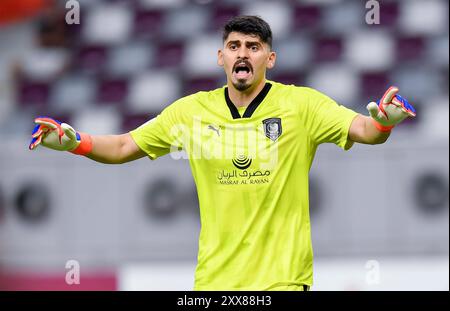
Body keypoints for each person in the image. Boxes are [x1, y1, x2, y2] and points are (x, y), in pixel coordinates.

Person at [29, 16, 416, 291]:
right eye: (234, 46)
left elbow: (364, 130)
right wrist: (75, 142)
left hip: (282, 280)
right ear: (221, 57)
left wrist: (384, 123)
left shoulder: (302, 106)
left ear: (270, 58)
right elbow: (124, 146)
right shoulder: (191, 111)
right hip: (214, 283)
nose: (242, 54)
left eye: (253, 46)